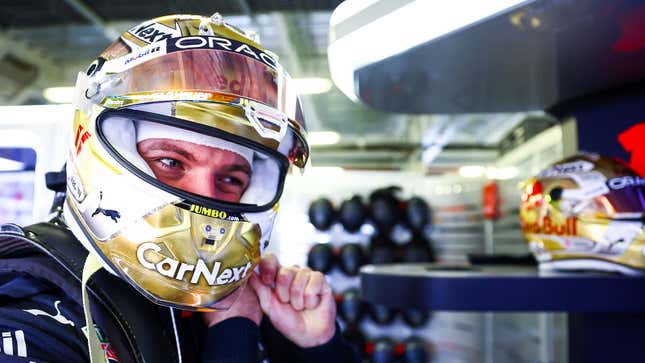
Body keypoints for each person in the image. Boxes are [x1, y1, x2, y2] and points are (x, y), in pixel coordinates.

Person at [0, 13, 359, 363]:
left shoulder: (254, 303)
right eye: (171, 162)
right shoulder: (29, 317)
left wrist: (314, 347)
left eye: (232, 180)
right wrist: (232, 335)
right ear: (89, 146)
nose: (206, 196)